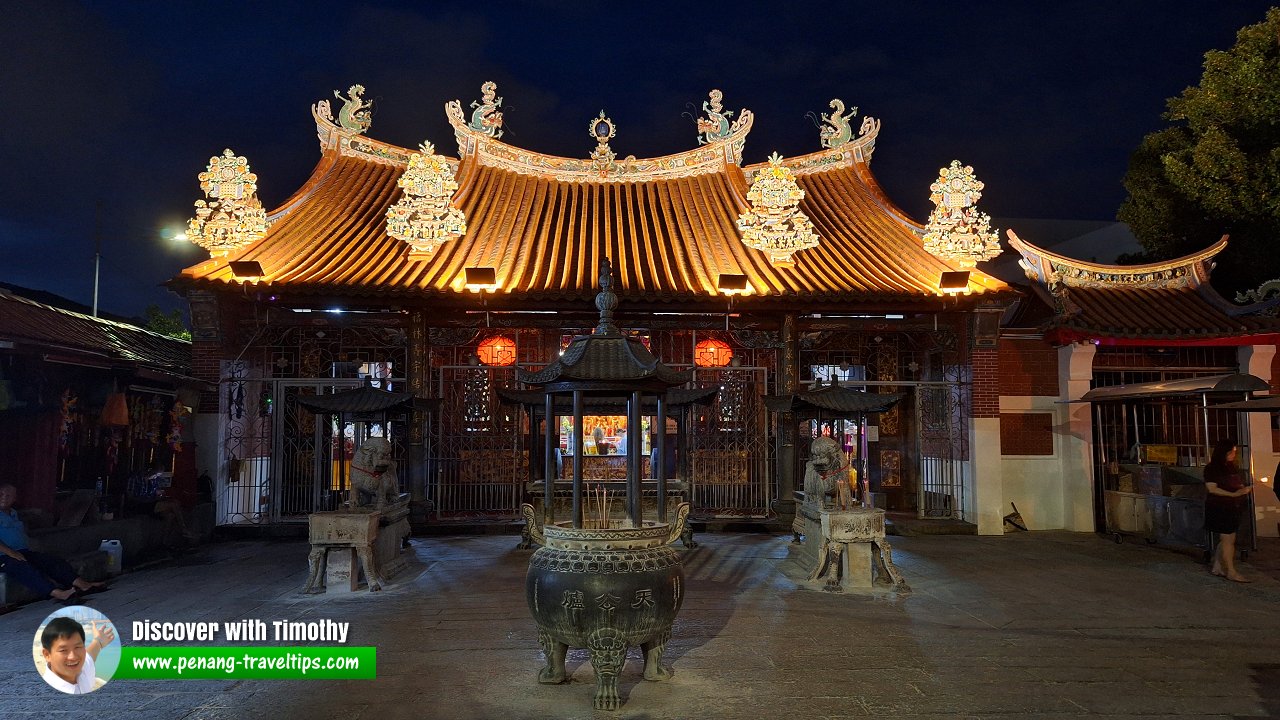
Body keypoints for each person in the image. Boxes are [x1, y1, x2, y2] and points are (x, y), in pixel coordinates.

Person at [0, 484, 106, 602]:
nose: (4, 497)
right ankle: (59, 594)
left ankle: (83, 585)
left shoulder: (14, 513)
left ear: (15, 498)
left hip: (21, 552)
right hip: (3, 556)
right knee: (22, 568)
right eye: (1, 494)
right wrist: (11, 553)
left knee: (51, 561)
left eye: (8, 495)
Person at [1203, 440, 1254, 583]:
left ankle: (1217, 566)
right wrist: (1235, 494)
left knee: (1228, 538)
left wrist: (1243, 489)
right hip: (1219, 507)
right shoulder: (1212, 468)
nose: (1233, 454)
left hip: (1232, 507)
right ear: (1223, 452)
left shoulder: (1230, 466)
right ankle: (1231, 571)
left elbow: (1234, 482)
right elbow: (1212, 488)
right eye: (1231, 452)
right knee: (1227, 539)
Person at [40, 615, 115, 694]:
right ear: (47, 655)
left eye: (77, 647)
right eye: (63, 650)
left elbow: (90, 655)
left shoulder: (82, 670)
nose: (73, 657)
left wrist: (98, 641)